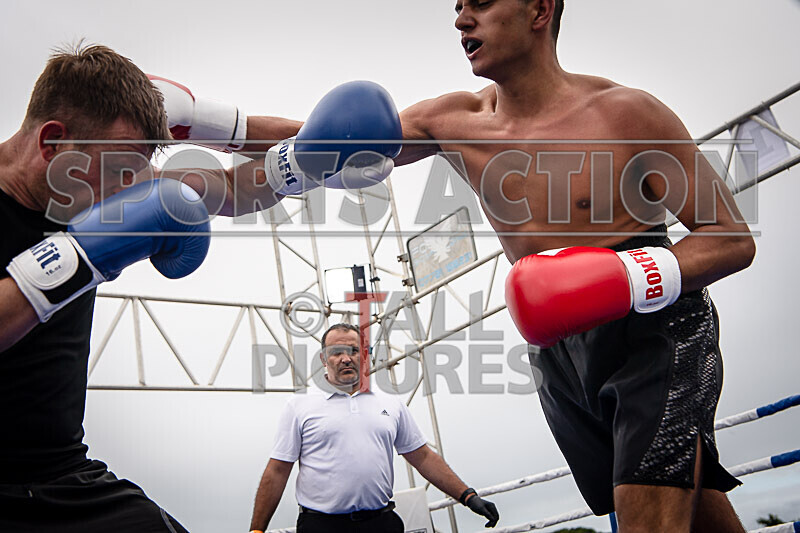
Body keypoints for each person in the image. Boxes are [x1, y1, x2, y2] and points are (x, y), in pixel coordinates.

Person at [0, 43, 402, 532]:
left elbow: (231, 190)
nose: (128, 194)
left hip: (58, 473)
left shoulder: (105, 171)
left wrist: (311, 158)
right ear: (53, 143)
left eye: (138, 175)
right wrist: (79, 257)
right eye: (121, 176)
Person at [388, 1, 755, 531]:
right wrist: (230, 128)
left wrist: (623, 277)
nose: (461, 20)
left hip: (655, 331)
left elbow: (730, 237)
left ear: (540, 9)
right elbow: (334, 139)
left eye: (481, 3)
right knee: (681, 504)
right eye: (459, 6)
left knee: (647, 501)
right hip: (560, 346)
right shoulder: (452, 120)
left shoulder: (625, 113)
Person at [248, 323, 500, 533]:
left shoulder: (390, 403)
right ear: (323, 358)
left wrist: (467, 496)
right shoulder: (299, 405)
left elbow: (422, 457)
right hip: (322, 525)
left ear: (365, 355)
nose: (346, 358)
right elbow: (278, 469)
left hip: (381, 523)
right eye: (336, 352)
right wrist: (257, 530)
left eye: (353, 351)